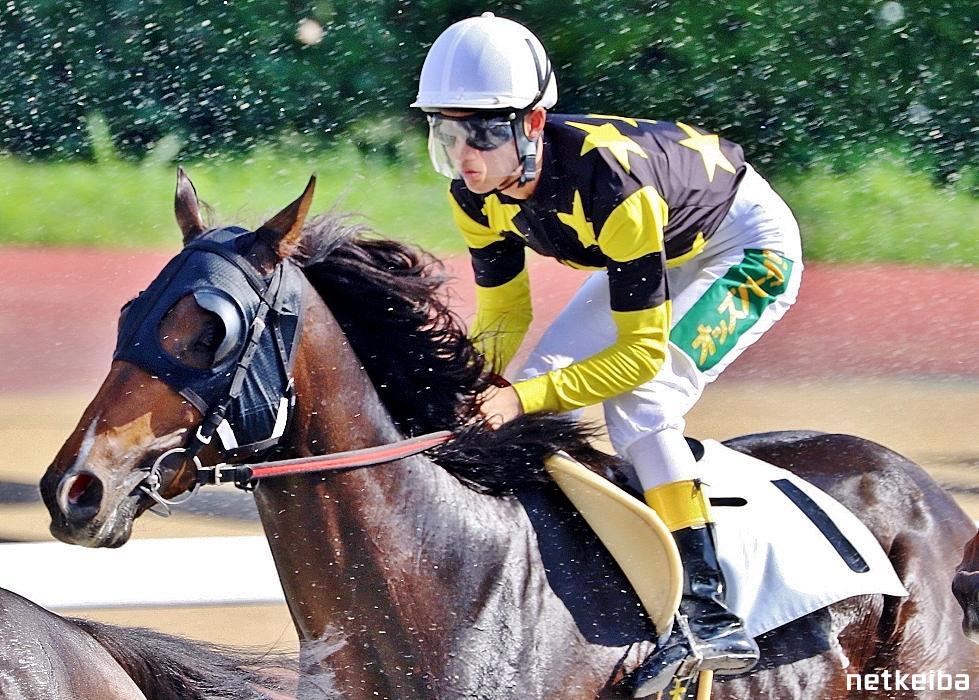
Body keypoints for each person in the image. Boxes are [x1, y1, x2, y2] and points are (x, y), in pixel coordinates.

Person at [412, 12, 803, 695]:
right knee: (542, 386)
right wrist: (470, 385)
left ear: (533, 125)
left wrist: (517, 399)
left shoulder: (611, 187)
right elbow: (505, 313)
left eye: (482, 133)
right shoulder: (475, 196)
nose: (465, 156)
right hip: (664, 244)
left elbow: (640, 358)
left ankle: (705, 610)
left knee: (642, 402)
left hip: (746, 248)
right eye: (447, 134)